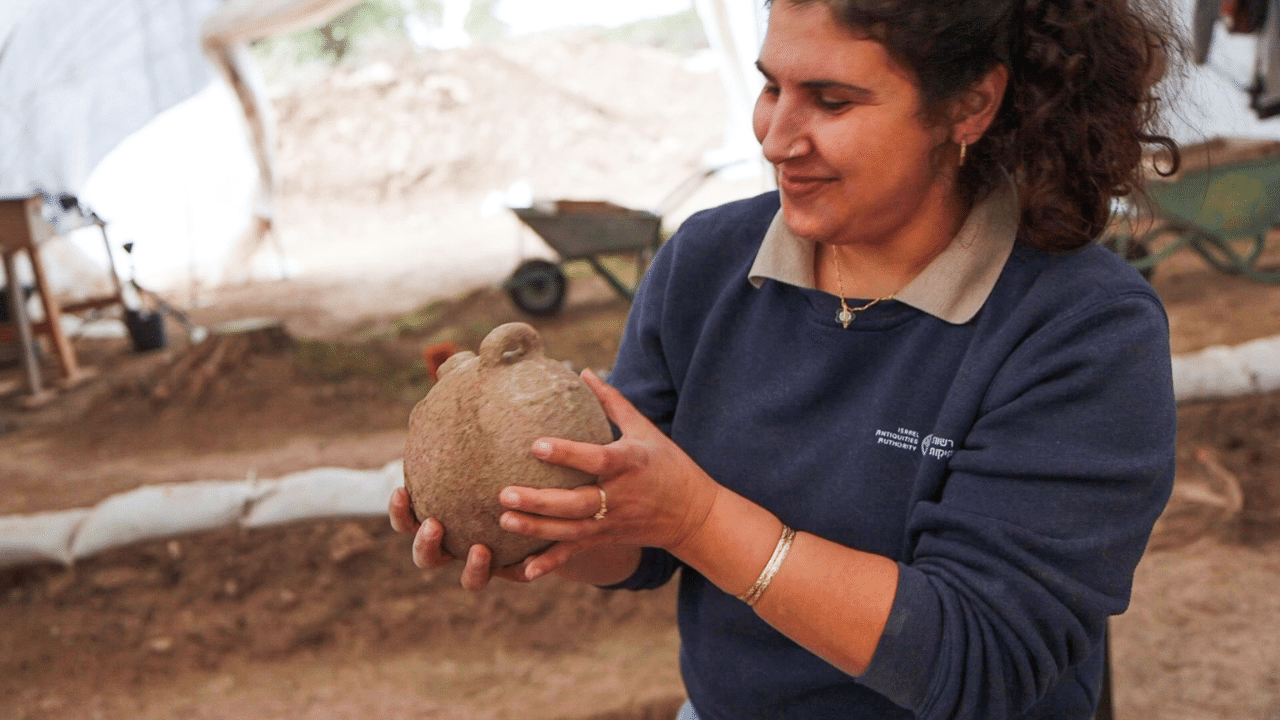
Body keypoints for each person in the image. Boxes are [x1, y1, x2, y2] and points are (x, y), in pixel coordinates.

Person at [389, 0, 1181, 717]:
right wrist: (547, 523)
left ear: (970, 104)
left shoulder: (1084, 327)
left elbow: (983, 658)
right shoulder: (705, 263)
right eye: (773, 88)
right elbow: (639, 546)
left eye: (832, 101)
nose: (774, 138)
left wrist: (698, 517)